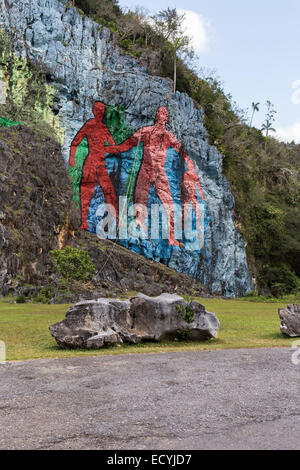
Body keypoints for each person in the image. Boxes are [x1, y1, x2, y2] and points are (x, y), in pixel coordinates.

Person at [107, 106, 188, 247]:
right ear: (156, 116)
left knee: (169, 205)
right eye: (160, 113)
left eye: (165, 113)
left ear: (167, 118)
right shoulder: (146, 131)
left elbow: (180, 149)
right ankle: (138, 228)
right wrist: (112, 149)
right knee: (140, 201)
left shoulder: (168, 136)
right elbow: (128, 144)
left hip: (159, 172)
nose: (162, 115)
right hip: (145, 169)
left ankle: (171, 237)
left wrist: (188, 163)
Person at [69, 102, 118, 230]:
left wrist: (106, 149)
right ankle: (84, 222)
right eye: (97, 109)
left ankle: (117, 220)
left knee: (109, 189)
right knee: (86, 189)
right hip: (91, 161)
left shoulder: (103, 128)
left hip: (100, 163)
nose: (99, 112)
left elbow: (113, 145)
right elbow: (76, 141)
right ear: (94, 111)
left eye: (101, 110)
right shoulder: (89, 124)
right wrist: (71, 159)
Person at [180, 159, 205, 247]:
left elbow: (198, 186)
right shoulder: (184, 174)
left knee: (196, 209)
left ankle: (198, 226)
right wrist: (179, 194)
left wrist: (201, 196)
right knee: (185, 211)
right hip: (186, 194)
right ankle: (183, 227)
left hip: (193, 194)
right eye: (188, 165)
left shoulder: (194, 175)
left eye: (191, 165)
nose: (189, 166)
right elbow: (181, 184)